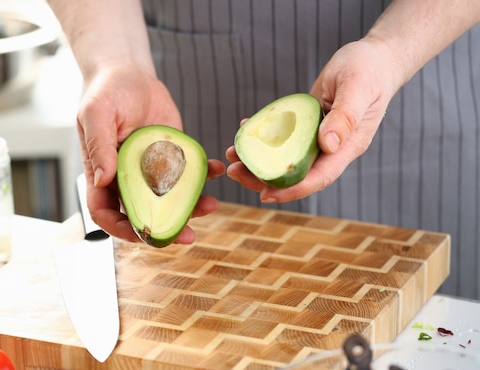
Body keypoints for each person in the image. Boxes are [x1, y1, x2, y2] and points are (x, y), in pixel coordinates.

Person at [46, 0, 480, 299]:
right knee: (222, 312)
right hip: (190, 90)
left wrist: (391, 50)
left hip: (420, 70)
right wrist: (115, 60)